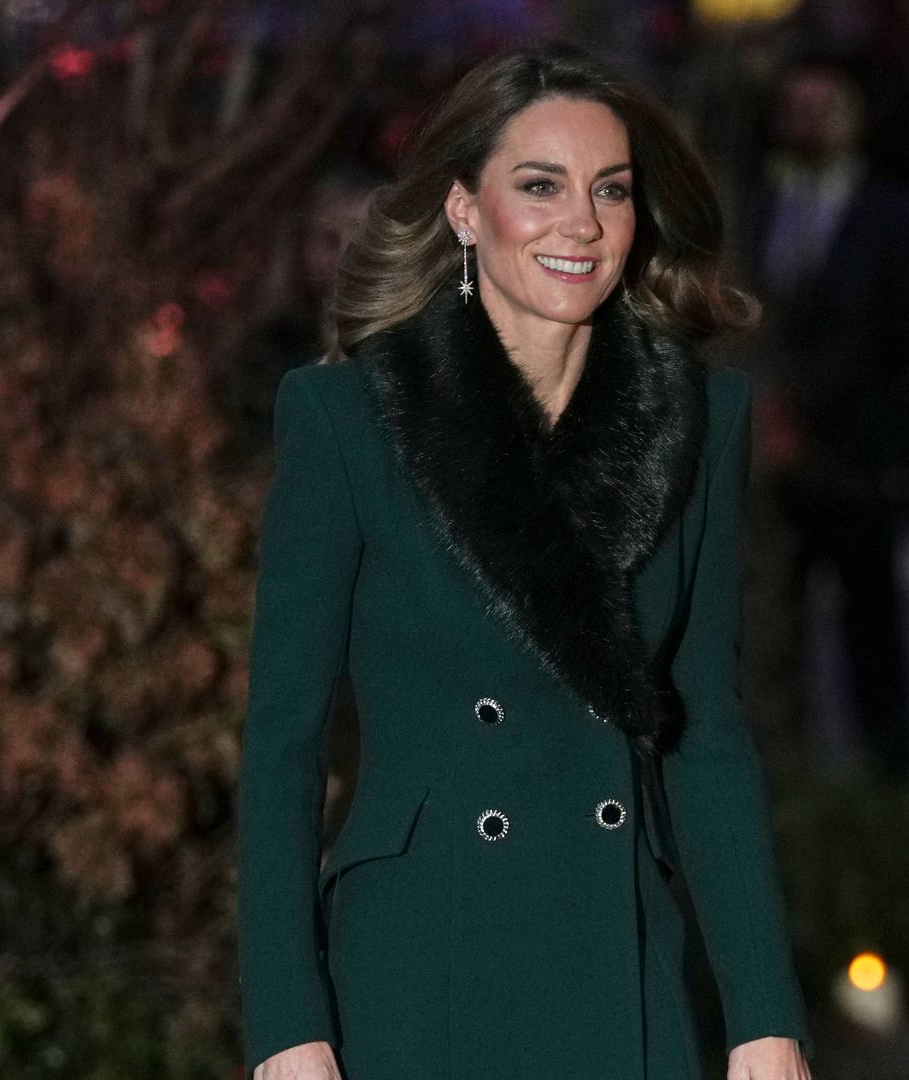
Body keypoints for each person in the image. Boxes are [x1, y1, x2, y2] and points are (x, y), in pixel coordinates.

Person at [238, 41, 815, 1080]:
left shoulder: (701, 422)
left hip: (619, 954)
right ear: (465, 210)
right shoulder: (347, 421)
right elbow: (284, 742)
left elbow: (706, 732)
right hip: (416, 966)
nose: (581, 223)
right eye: (540, 186)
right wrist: (286, 1022)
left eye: (611, 190)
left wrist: (765, 1015)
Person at [739, 59, 909, 786]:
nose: (806, 121)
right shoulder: (755, 209)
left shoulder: (893, 219)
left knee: (873, 637)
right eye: (794, 106)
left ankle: (888, 791)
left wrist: (901, 461)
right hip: (771, 467)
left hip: (858, 462)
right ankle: (786, 784)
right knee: (773, 637)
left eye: (822, 105)